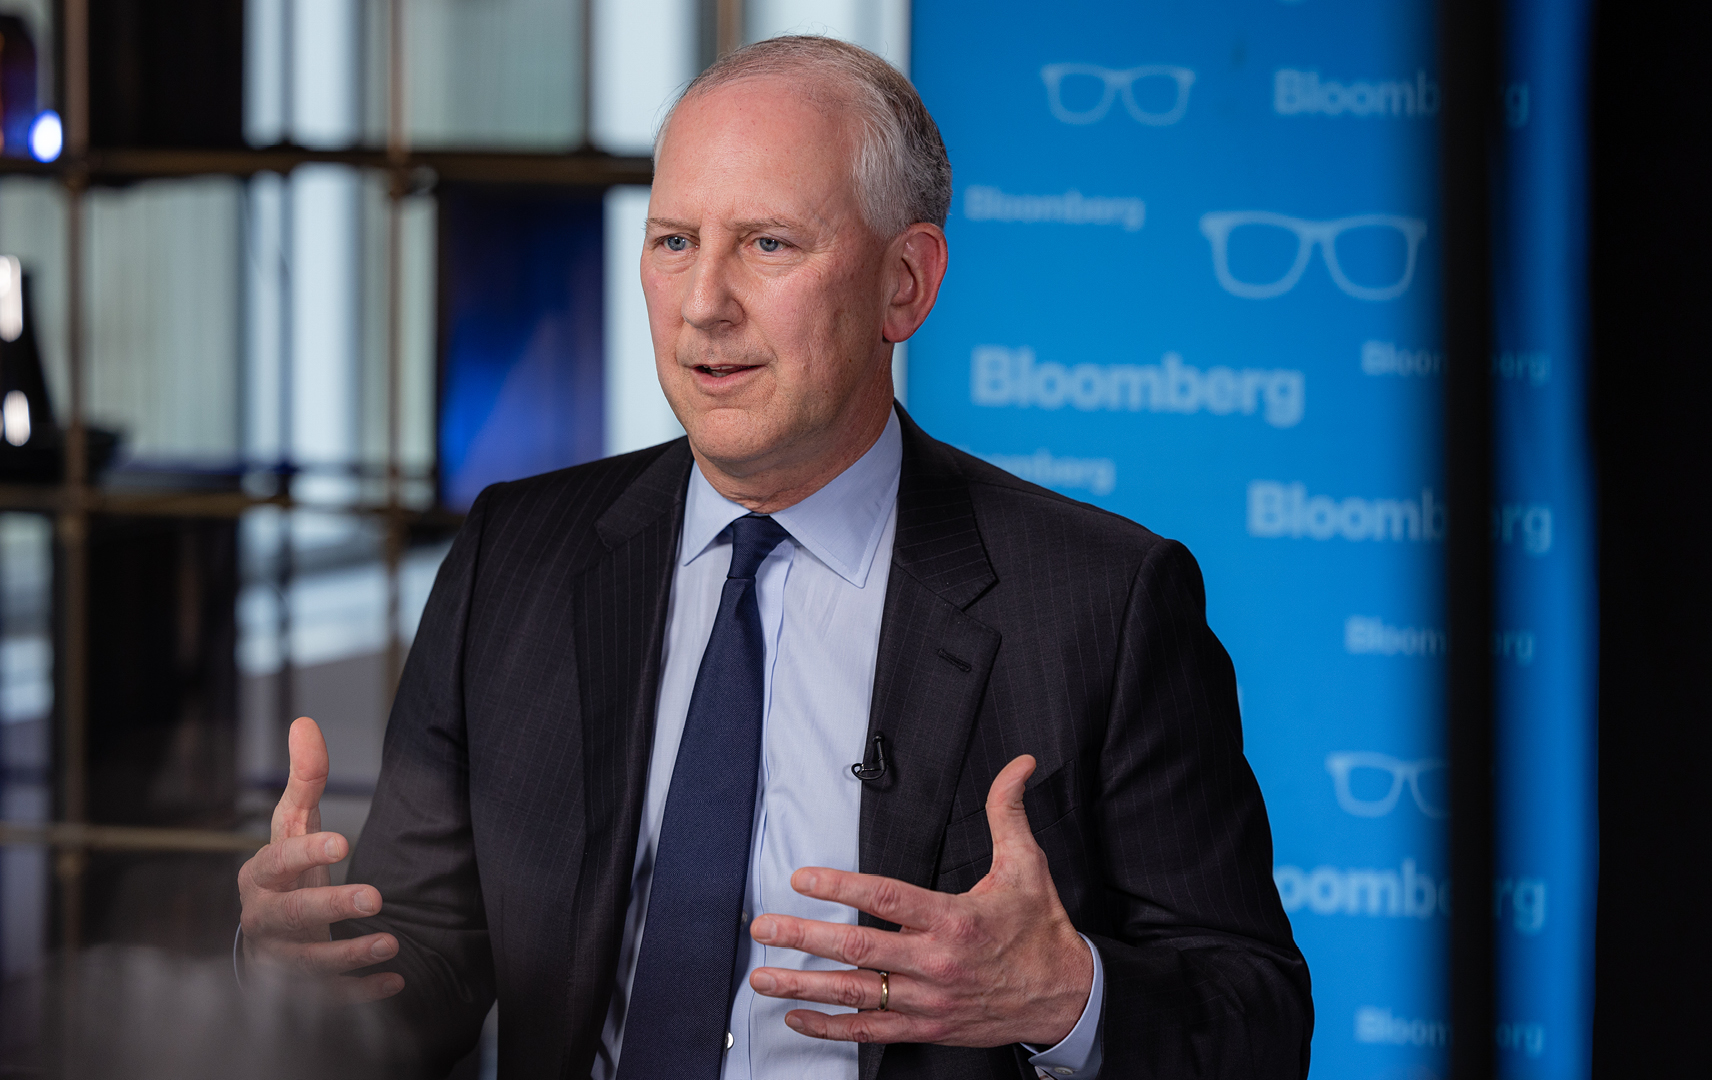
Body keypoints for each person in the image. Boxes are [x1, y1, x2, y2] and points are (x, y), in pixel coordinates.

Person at [237, 35, 1311, 1080]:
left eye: (768, 245)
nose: (704, 304)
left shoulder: (1099, 602)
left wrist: (1064, 999)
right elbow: (419, 958)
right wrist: (309, 977)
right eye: (673, 242)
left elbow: (1255, 1019)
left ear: (905, 284)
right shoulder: (516, 554)